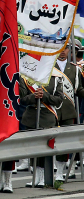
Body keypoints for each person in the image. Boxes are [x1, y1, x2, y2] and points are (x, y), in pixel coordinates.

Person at [19, 57, 64, 188]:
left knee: (44, 149)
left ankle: (44, 176)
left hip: (47, 116)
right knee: (33, 148)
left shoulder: (56, 77)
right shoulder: (26, 77)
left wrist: (44, 97)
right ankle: (35, 177)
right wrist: (34, 97)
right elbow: (22, 99)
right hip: (31, 115)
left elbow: (59, 99)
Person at [51, 42, 84, 182]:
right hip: (52, 110)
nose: (63, 51)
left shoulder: (75, 69)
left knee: (64, 143)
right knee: (50, 141)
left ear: (70, 50)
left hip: (69, 110)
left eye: (65, 48)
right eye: (60, 48)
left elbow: (79, 90)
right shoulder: (50, 68)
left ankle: (59, 172)